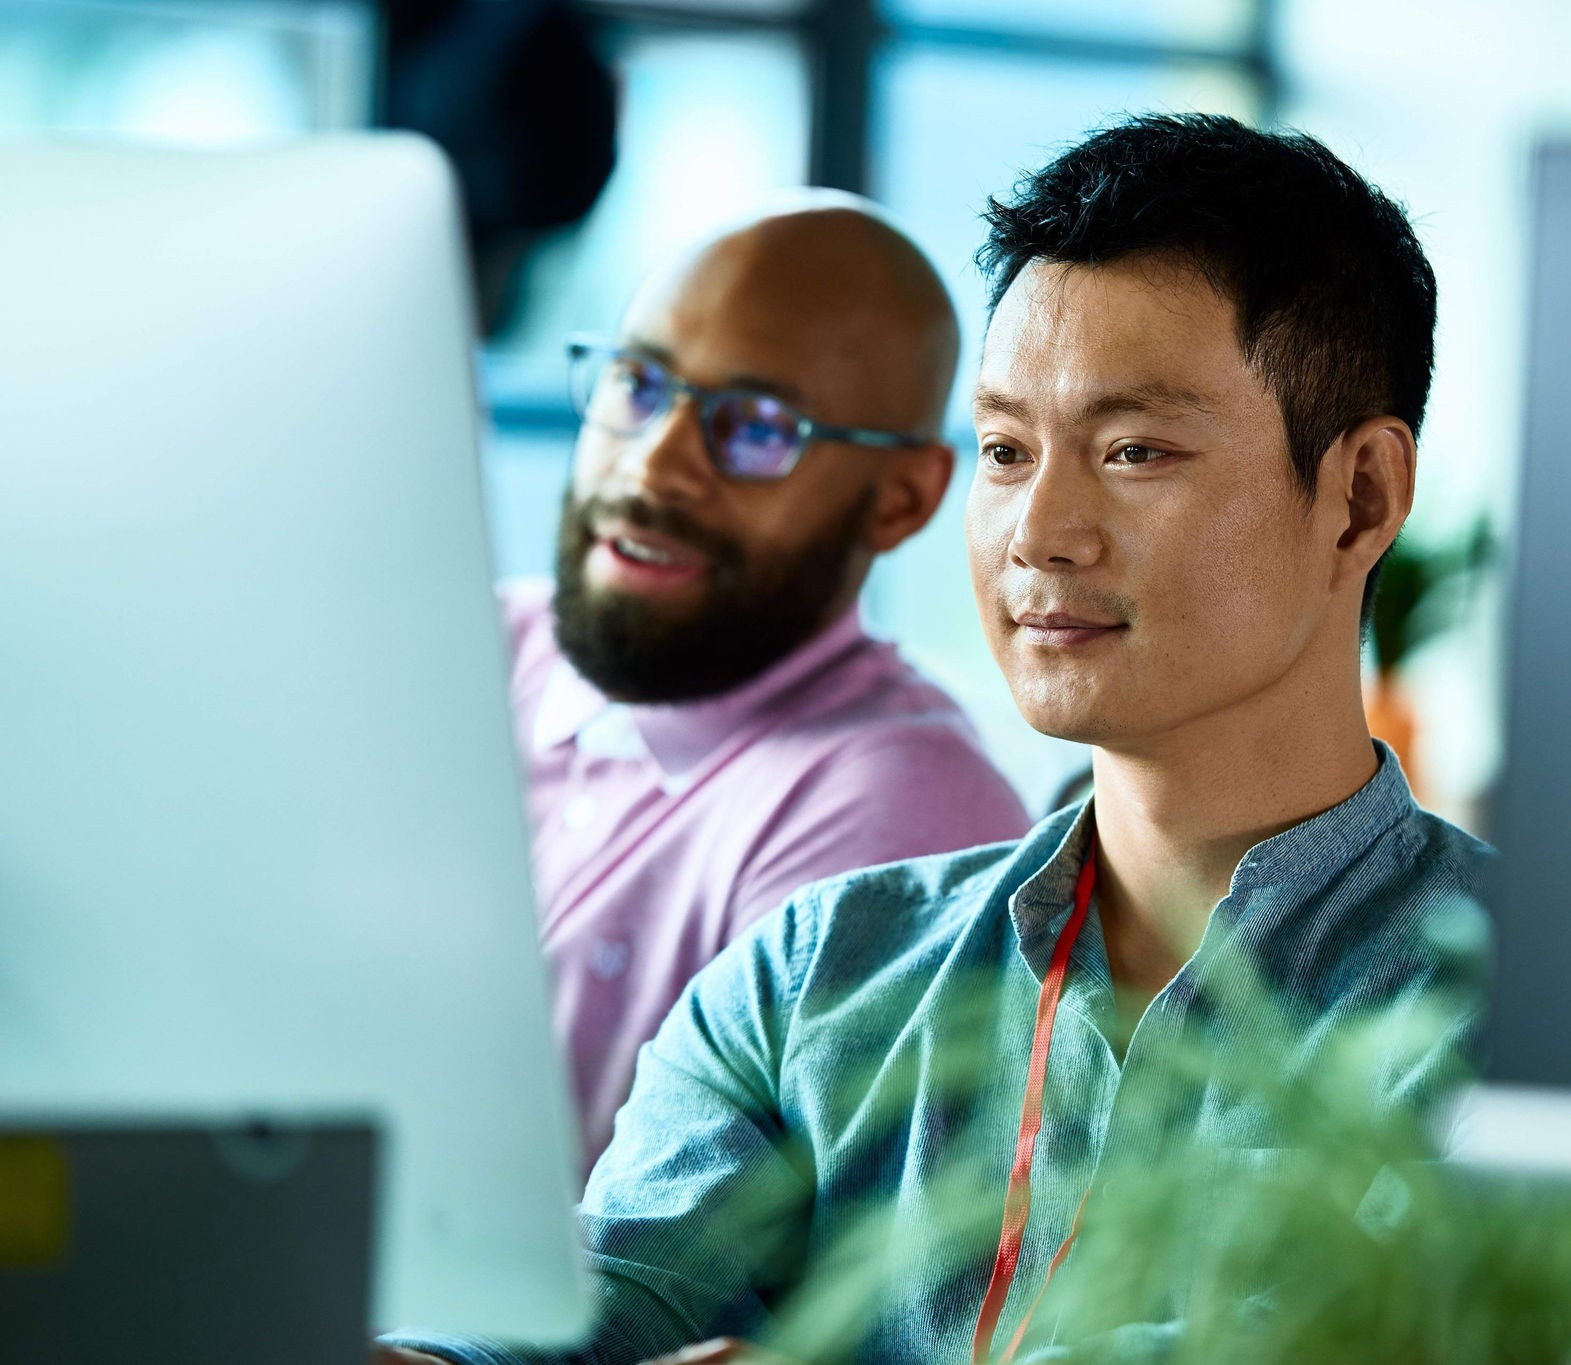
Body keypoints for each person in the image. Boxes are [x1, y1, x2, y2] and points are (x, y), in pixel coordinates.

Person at [382, 113, 1488, 1364]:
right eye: (1009, 450)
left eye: (1133, 452)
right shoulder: (812, 972)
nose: (1039, 530)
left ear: (1359, 498)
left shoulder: (1518, 1019)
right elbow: (584, 1312)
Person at [503, 201, 1030, 1171]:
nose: (654, 462)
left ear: (902, 498)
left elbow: (694, 1282)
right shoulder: (480, 643)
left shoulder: (894, 808)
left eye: (755, 427)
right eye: (638, 383)